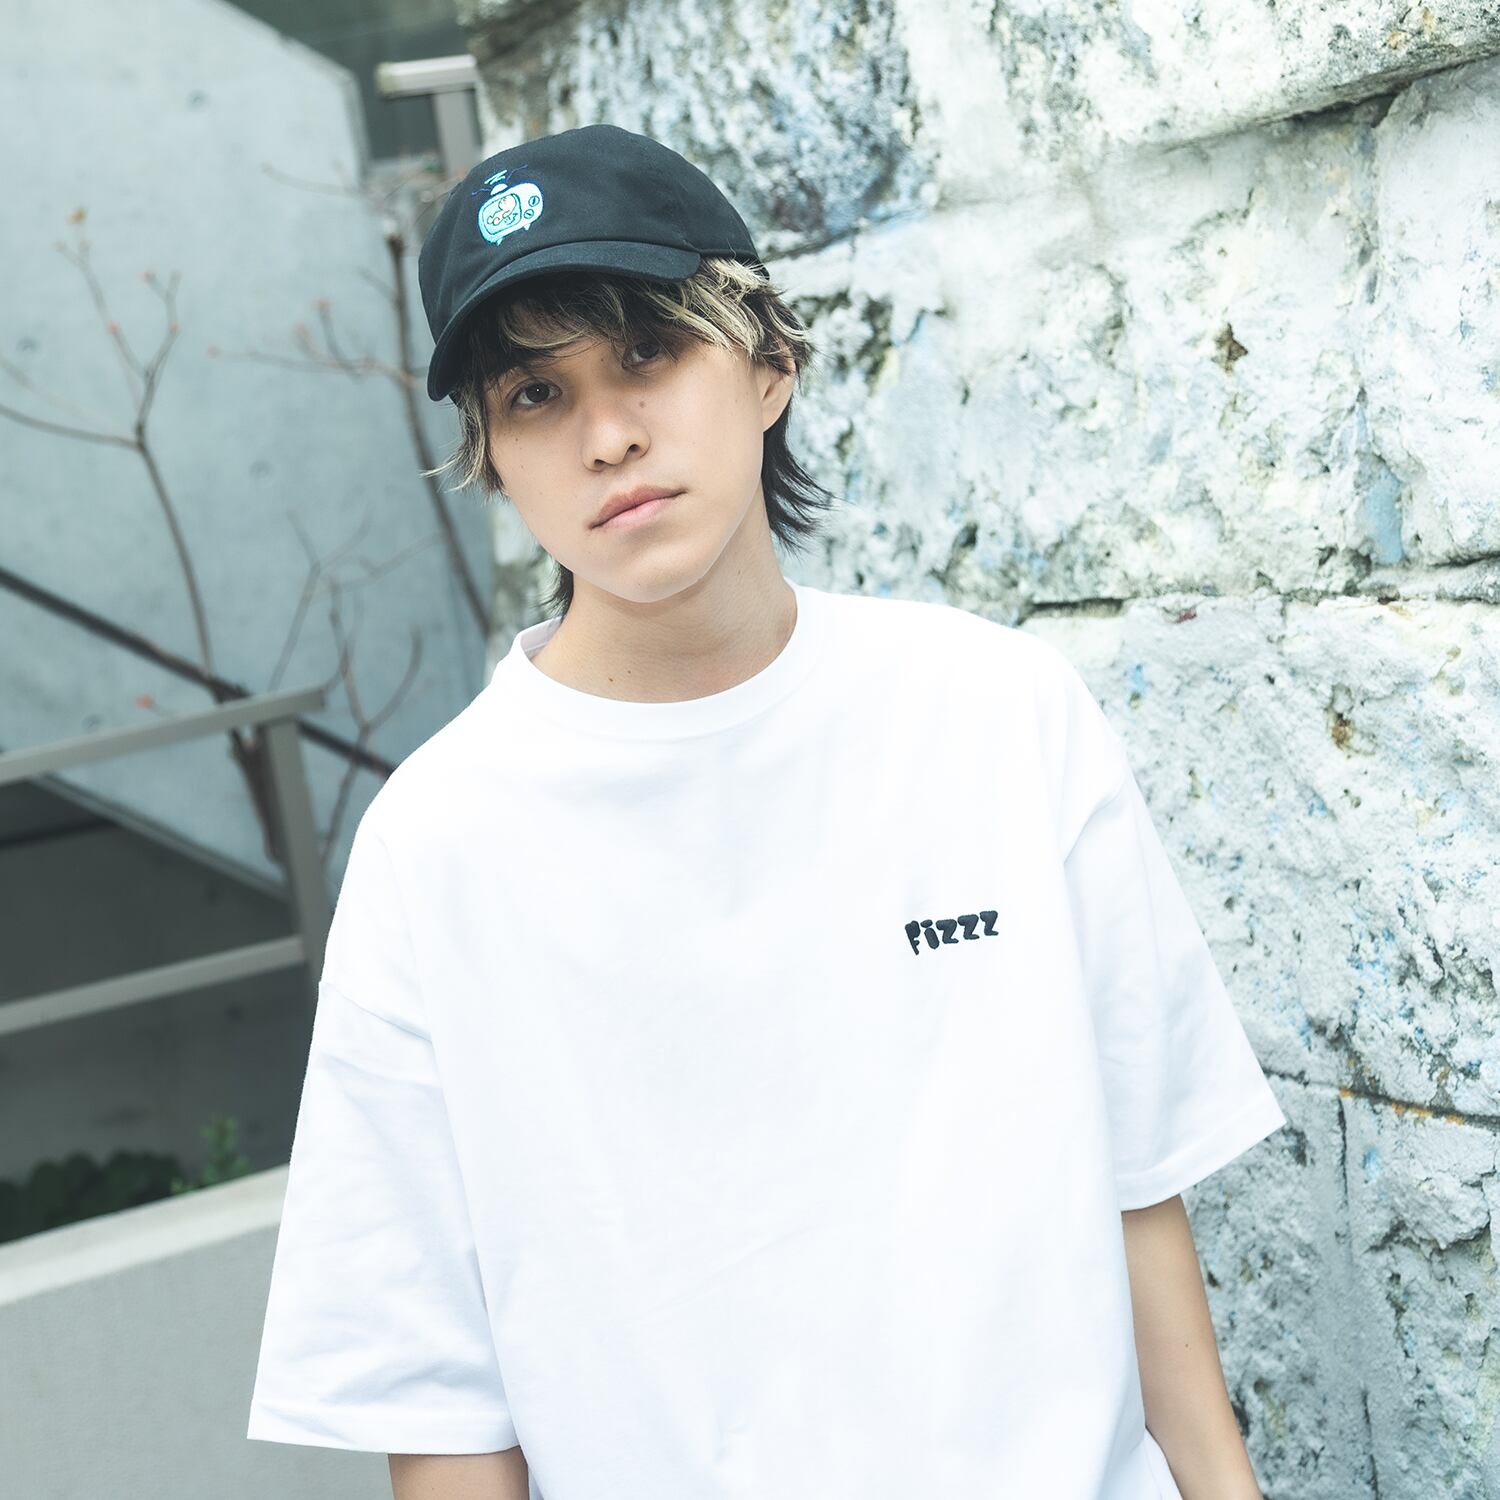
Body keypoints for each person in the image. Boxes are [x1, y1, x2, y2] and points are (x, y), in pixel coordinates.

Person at [246, 122, 1286, 1500]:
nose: (608, 435)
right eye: (535, 395)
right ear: (491, 454)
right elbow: (437, 1394)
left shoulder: (996, 712)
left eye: (647, 353)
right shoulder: (435, 845)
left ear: (770, 361)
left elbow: (1140, 1188)